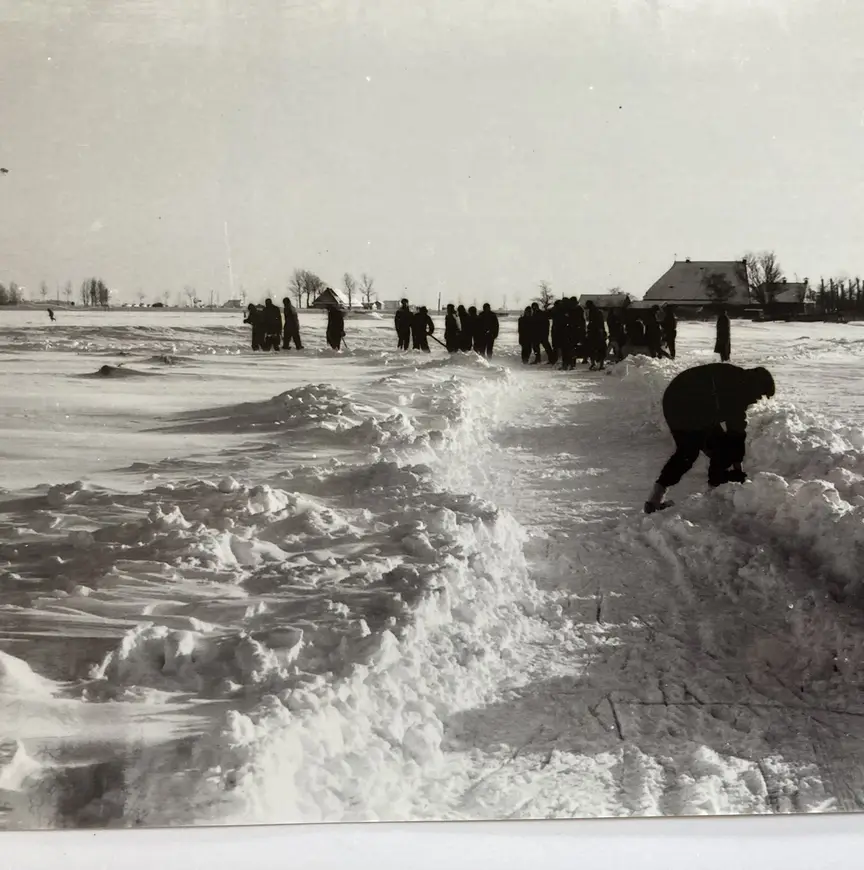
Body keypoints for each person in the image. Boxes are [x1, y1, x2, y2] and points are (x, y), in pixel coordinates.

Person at [644, 363, 776, 514]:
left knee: (709, 450)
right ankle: (711, 497)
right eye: (760, 394)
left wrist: (735, 462)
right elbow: (736, 430)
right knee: (692, 451)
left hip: (685, 402)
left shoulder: (739, 380)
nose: (757, 399)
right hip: (684, 404)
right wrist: (736, 465)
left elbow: (735, 431)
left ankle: (658, 498)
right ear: (756, 385)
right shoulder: (738, 389)